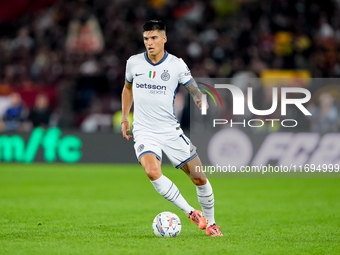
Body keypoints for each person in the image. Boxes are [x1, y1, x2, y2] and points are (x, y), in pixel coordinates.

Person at [121, 20, 222, 236]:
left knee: (199, 178)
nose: (150, 42)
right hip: (144, 130)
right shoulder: (133, 63)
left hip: (170, 131)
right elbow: (127, 89)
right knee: (152, 171)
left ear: (164, 39)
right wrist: (124, 117)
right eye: (146, 38)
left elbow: (192, 87)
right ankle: (190, 212)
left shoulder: (176, 64)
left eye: (154, 38)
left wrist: (198, 98)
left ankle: (212, 223)